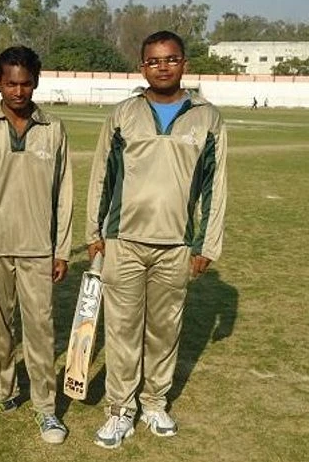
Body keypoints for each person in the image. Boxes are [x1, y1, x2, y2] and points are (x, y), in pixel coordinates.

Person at [85, 30, 227, 449]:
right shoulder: (123, 114)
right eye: (153, 61)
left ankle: (154, 402)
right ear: (141, 66)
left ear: (184, 62)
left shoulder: (207, 117)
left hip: (177, 245)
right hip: (124, 241)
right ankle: (119, 410)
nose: (162, 67)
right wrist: (94, 233)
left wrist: (206, 245)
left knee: (164, 331)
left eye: (170, 59)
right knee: (123, 331)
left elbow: (216, 186)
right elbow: (101, 176)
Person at [0, 46, 73, 444]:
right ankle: (1, 395)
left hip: (38, 248)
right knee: (2, 328)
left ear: (36, 83)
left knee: (40, 330)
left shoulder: (53, 129)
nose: (18, 91)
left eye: (25, 83)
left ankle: (45, 408)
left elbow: (64, 193)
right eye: (11, 83)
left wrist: (61, 249)